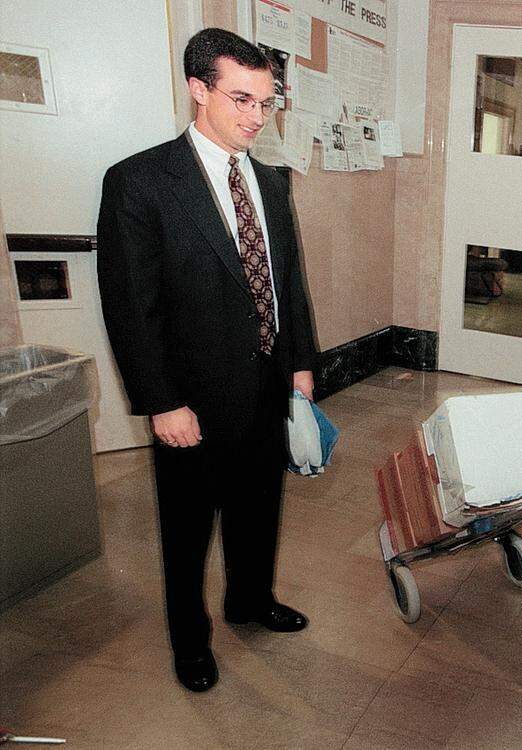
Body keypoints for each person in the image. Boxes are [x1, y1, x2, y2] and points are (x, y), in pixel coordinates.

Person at [97, 28, 317, 693]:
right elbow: (131, 307)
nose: (255, 117)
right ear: (198, 88)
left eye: (266, 102)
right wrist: (162, 401)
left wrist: (301, 363)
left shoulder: (273, 182)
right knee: (189, 528)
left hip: (267, 381)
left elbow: (288, 279)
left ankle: (249, 601)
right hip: (189, 397)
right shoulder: (140, 181)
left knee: (260, 508)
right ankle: (189, 640)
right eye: (240, 99)